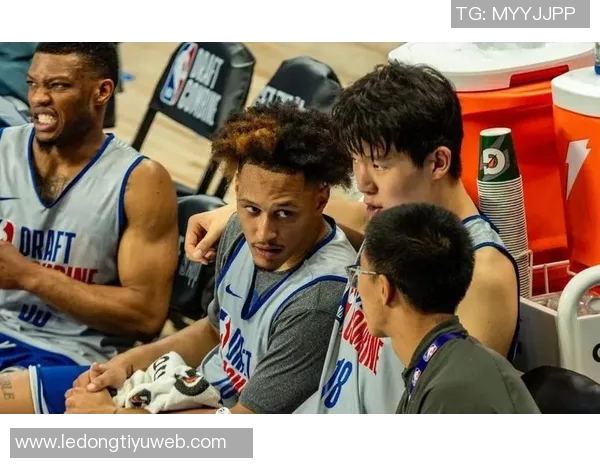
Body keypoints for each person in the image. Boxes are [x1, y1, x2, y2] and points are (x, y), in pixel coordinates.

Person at [182, 61, 520, 414]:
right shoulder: (389, 215)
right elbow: (321, 206)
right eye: (357, 160)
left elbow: (457, 414)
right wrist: (239, 209)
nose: (363, 182)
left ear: (437, 163)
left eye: (380, 164)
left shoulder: (482, 276)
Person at [3, 101, 358, 415]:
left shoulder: (318, 301)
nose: (264, 232)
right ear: (237, 190)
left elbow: (244, 431)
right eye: (251, 209)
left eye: (284, 214)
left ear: (321, 200)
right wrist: (128, 363)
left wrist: (113, 421)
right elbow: (213, 332)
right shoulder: (235, 229)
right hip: (189, 397)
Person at [0, 43, 178, 410]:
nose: (39, 98)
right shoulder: (4, 148)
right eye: (33, 84)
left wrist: (29, 276)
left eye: (58, 86)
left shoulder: (141, 181)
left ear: (102, 92)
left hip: (73, 354)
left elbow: (145, 317)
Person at [355, 202, 538, 413]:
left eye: (359, 273)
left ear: (383, 289)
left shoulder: (454, 394)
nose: (357, 286)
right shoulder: (440, 366)